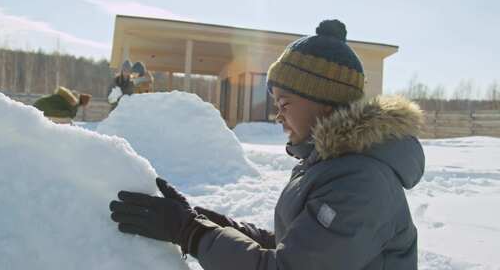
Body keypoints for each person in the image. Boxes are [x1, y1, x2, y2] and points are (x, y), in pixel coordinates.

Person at [109, 20, 426, 269]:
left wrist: (191, 232)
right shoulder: (331, 166)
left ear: (326, 107)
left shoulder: (362, 184)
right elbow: (296, 246)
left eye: (284, 104)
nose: (277, 116)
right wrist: (212, 223)